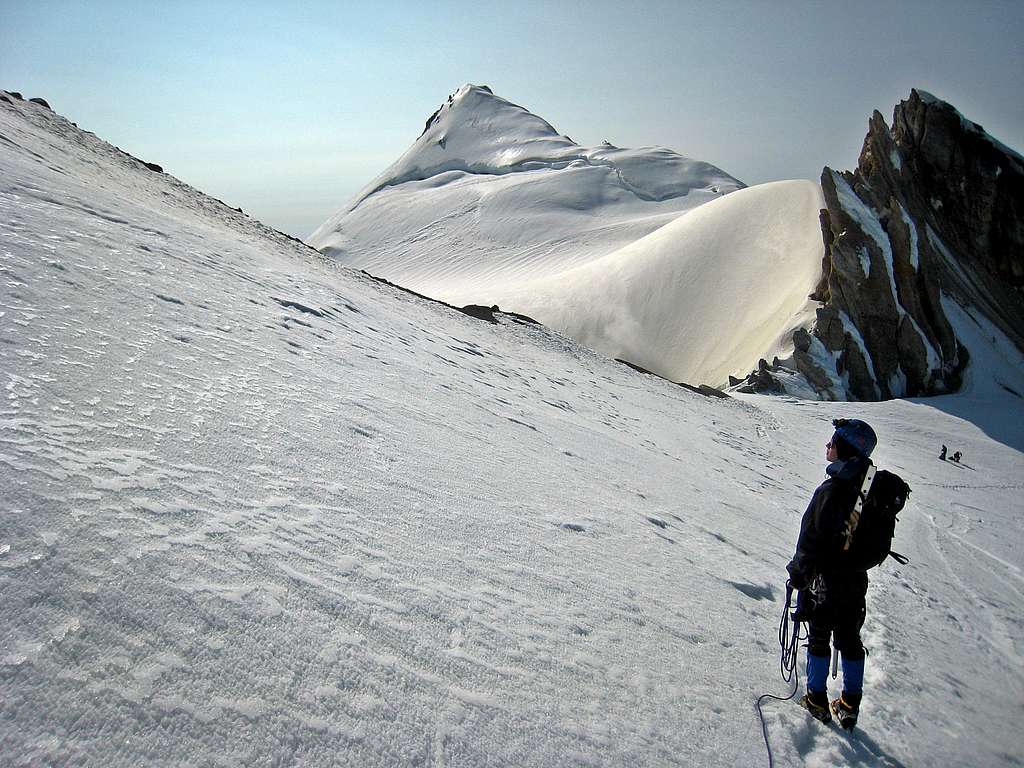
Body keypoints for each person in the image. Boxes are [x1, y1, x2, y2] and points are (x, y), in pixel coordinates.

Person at [787, 418, 878, 729]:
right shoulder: (868, 489)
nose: (828, 447)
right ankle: (850, 704)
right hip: (855, 581)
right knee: (850, 638)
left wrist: (798, 574)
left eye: (833, 442)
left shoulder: (832, 489)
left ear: (844, 449)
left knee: (820, 636)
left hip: (825, 580)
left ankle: (816, 699)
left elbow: (811, 537)